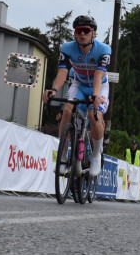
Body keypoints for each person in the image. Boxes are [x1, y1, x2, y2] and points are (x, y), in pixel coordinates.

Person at [42, 15, 111, 178]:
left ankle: (95, 156)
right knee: (67, 110)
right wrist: (53, 89)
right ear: (74, 32)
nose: (82, 34)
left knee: (95, 117)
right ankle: (63, 156)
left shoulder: (104, 49)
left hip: (99, 86)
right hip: (79, 85)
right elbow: (63, 72)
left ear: (93, 33)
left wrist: (95, 95)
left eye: (86, 31)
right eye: (79, 30)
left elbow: (99, 75)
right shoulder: (67, 48)